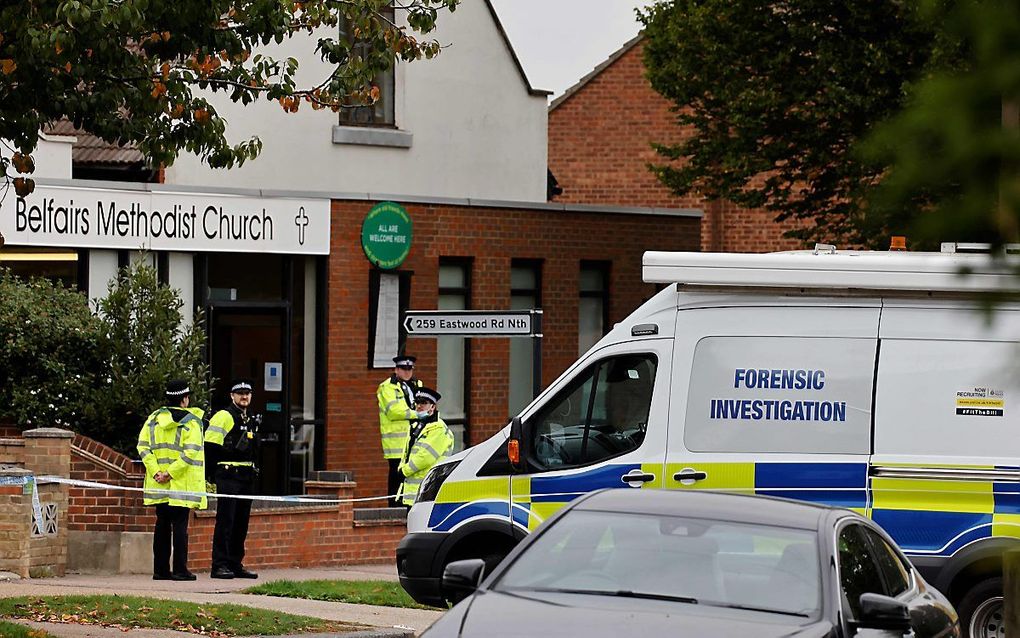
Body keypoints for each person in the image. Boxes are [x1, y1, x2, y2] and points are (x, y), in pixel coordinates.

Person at [137, 379, 207, 581]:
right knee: (180, 527)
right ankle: (180, 570)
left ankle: (160, 570)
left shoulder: (153, 419)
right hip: (181, 484)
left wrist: (157, 472)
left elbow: (143, 446)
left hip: (158, 484)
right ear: (185, 399)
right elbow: (190, 452)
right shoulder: (192, 422)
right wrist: (171, 473)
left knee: (161, 526)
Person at [204, 378, 259, 580]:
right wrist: (210, 476)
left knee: (241, 523)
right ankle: (219, 565)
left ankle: (235, 563)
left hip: (246, 476)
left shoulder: (250, 417)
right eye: (240, 393)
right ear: (232, 395)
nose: (244, 396)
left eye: (248, 392)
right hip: (228, 476)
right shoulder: (224, 416)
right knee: (226, 521)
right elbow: (209, 446)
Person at [398, 387, 455, 507]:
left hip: (428, 490)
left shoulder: (438, 429)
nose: (419, 406)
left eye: (423, 403)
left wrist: (404, 471)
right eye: (417, 402)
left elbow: (425, 457)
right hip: (413, 492)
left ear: (433, 407)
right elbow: (407, 454)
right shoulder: (417, 426)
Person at [377, 355, 422, 507]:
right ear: (396, 370)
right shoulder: (387, 387)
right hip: (396, 442)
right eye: (404, 369)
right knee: (396, 475)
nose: (407, 372)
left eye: (410, 369)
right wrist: (417, 414)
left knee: (411, 475)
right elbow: (394, 411)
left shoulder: (417, 384)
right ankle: (394, 507)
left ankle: (408, 505)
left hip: (414, 439)